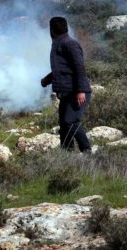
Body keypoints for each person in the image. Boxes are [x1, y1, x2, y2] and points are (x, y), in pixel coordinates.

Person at [41, 17, 92, 152]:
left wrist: (80, 91)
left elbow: (79, 67)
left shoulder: (70, 44)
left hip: (76, 92)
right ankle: (67, 153)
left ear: (51, 30)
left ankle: (87, 150)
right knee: (64, 124)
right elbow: (62, 70)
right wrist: (47, 80)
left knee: (70, 121)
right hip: (67, 92)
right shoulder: (58, 43)